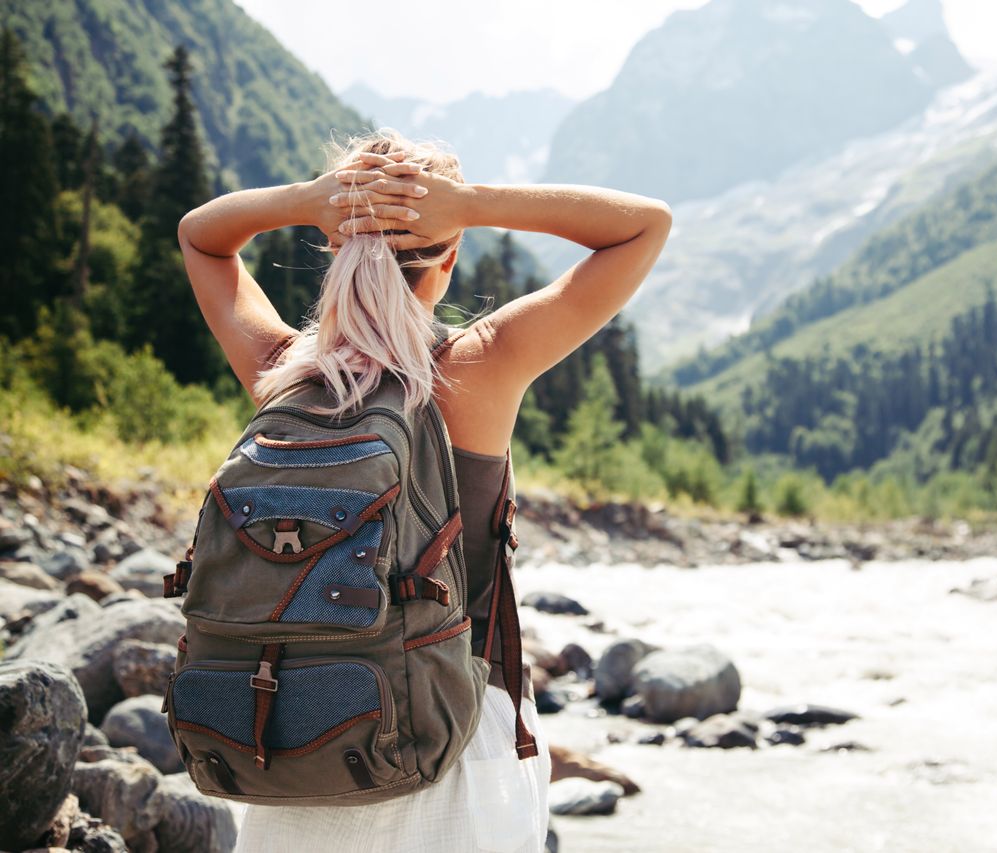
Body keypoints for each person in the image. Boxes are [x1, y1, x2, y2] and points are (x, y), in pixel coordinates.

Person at [176, 128, 672, 852]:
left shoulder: (282, 369)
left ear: (335, 246)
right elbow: (644, 225)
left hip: (283, 744)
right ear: (449, 254)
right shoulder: (478, 363)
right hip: (453, 749)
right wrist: (468, 203)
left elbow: (201, 238)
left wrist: (310, 201)